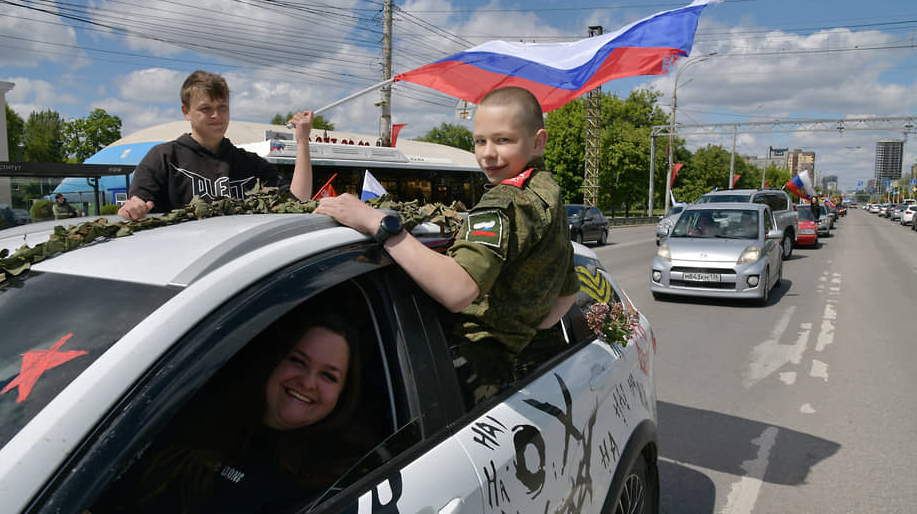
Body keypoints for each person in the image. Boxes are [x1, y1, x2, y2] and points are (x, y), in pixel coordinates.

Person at [314, 86, 579, 403]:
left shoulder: (504, 201)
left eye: (503, 140)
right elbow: (567, 292)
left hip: (467, 369)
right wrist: (520, 328)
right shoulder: (548, 192)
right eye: (480, 141)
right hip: (509, 367)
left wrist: (378, 224)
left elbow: (457, 291)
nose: (488, 153)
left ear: (538, 142)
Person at [91, 313, 367, 513]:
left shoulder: (337, 476)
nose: (307, 382)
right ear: (274, 361)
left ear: (344, 393)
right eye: (297, 361)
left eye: (328, 376)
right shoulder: (199, 418)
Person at [118, 70, 314, 221]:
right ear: (186, 112)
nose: (216, 116)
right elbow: (138, 205)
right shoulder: (163, 158)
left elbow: (298, 201)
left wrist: (302, 141)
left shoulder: (250, 164)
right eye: (206, 108)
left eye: (223, 107)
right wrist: (133, 207)